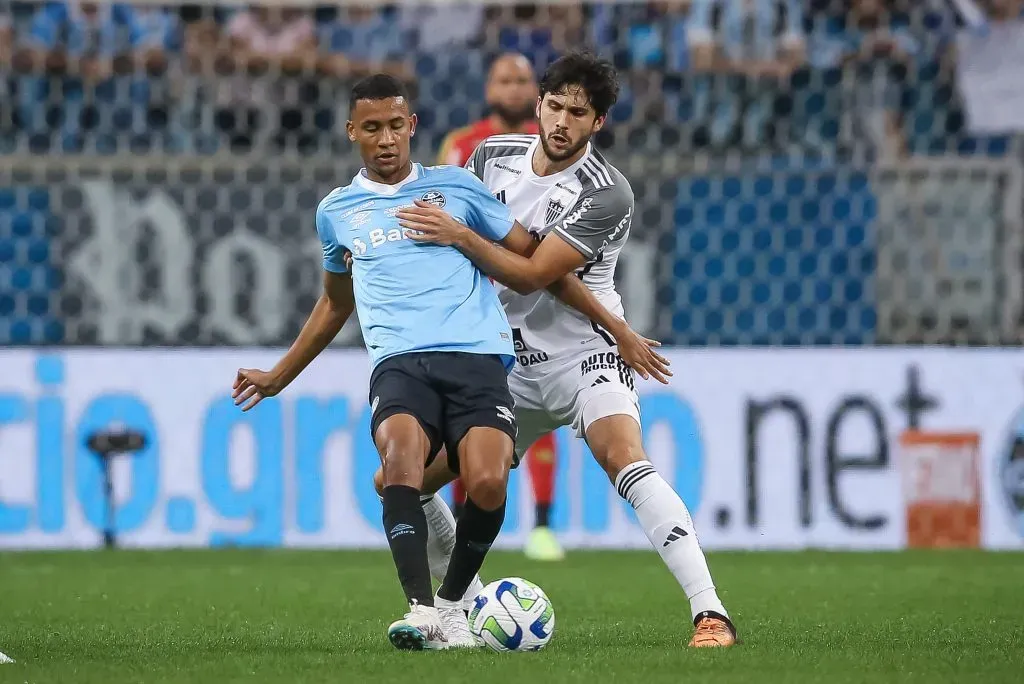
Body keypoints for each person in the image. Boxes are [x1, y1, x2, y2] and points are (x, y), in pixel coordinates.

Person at [232, 73, 667, 651]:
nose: (385, 139)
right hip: (400, 362)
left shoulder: (457, 189)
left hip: (479, 358)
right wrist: (278, 375)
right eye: (371, 128)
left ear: (411, 126)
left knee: (487, 481)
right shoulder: (337, 211)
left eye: (394, 126)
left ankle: (455, 604)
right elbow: (336, 302)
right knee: (400, 463)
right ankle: (420, 610)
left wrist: (615, 326)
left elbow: (538, 263)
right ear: (351, 133)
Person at [383, 51, 738, 648]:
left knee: (622, 455)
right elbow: (481, 249)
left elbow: (533, 274)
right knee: (404, 484)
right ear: (539, 104)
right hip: (508, 364)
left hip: (584, 355)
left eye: (579, 112)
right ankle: (461, 608)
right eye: (555, 105)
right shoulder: (491, 157)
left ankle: (711, 614)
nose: (563, 121)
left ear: (597, 122)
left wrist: (463, 235)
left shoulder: (607, 192)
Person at [437, 52, 565, 563]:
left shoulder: (554, 147)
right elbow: (444, 209)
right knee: (465, 419)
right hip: (478, 298)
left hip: (534, 295)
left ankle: (542, 526)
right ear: (489, 88)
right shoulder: (464, 146)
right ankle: (460, 529)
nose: (513, 89)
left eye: (521, 80)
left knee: (542, 402)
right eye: (504, 79)